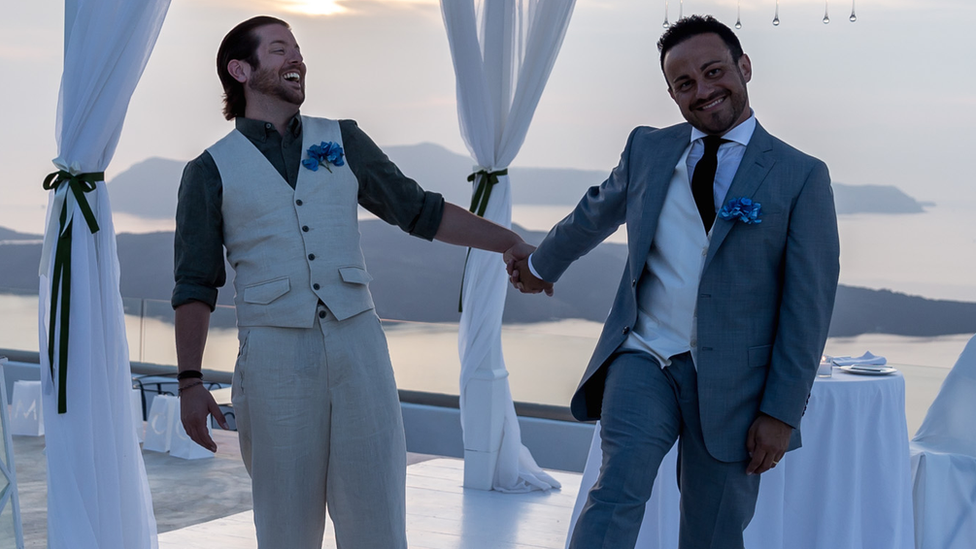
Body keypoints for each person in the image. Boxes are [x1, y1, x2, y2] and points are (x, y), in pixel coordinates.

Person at [172, 15, 532, 549]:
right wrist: (189, 381)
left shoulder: (342, 139)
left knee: (378, 515)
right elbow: (195, 284)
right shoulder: (209, 170)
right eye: (279, 50)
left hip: (359, 347)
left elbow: (418, 210)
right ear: (241, 69)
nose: (297, 59)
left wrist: (507, 241)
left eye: (298, 49)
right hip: (273, 358)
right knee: (286, 524)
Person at [506, 15, 840, 549]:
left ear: (744, 67)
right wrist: (541, 265)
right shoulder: (649, 149)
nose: (703, 91)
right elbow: (594, 214)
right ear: (672, 93)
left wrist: (780, 412)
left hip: (737, 384)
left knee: (713, 529)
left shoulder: (800, 175)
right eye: (685, 84)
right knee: (615, 493)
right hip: (643, 356)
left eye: (714, 72)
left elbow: (809, 306)